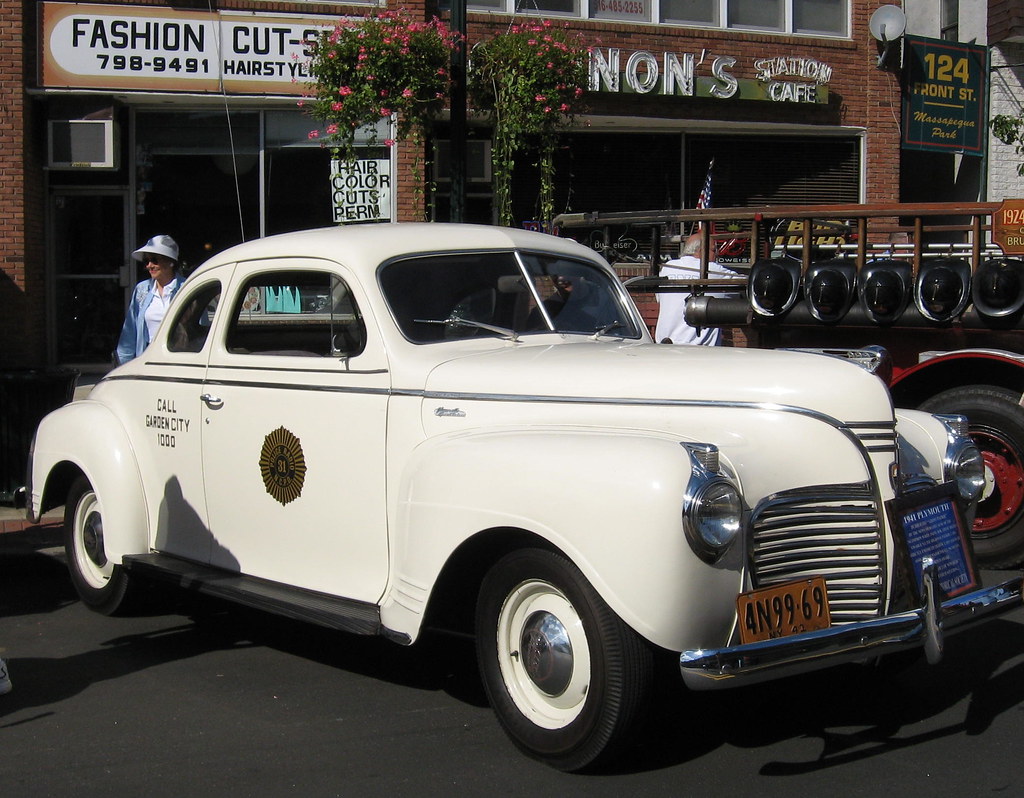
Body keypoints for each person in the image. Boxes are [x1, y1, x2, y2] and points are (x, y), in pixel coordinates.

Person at [655, 232, 739, 346]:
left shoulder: (668, 267)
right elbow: (748, 284)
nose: (717, 255)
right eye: (714, 250)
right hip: (700, 348)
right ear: (701, 250)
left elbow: (659, 299)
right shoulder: (713, 269)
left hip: (665, 344)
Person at [114, 234, 185, 364]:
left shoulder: (186, 287)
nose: (149, 265)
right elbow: (130, 330)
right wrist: (123, 364)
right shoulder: (142, 289)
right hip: (149, 361)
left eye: (154, 260)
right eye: (146, 261)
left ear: (170, 262)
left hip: (179, 361)